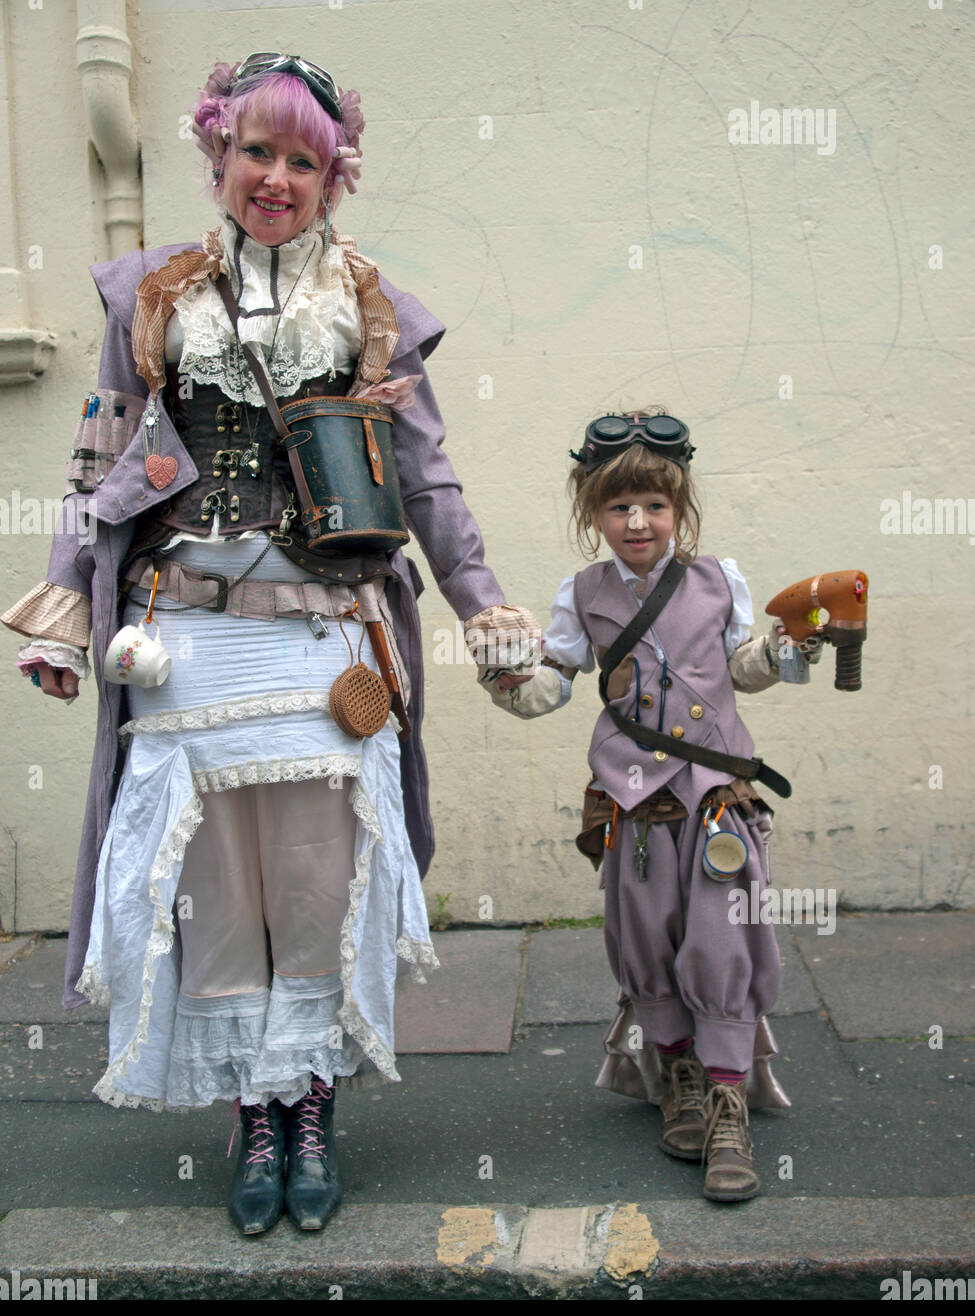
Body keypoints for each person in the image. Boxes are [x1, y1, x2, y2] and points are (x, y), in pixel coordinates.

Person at [1, 53, 535, 1236]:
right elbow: (98, 459)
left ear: (334, 174)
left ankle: (311, 1099)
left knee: (317, 876)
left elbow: (428, 481)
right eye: (257, 151)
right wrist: (62, 610)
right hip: (181, 637)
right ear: (218, 154)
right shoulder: (153, 294)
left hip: (320, 641)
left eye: (304, 158)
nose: (276, 178)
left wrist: (483, 608)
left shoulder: (369, 307)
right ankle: (252, 1107)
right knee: (211, 885)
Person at [485, 409, 821, 1202]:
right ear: (591, 512)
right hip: (635, 807)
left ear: (680, 509)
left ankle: (728, 1103)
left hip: (714, 800)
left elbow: (742, 668)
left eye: (654, 506)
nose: (636, 522)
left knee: (721, 945)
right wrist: (504, 678)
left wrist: (784, 651)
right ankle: (678, 1081)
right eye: (616, 507)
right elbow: (551, 686)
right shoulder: (581, 593)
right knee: (645, 941)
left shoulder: (718, 579)